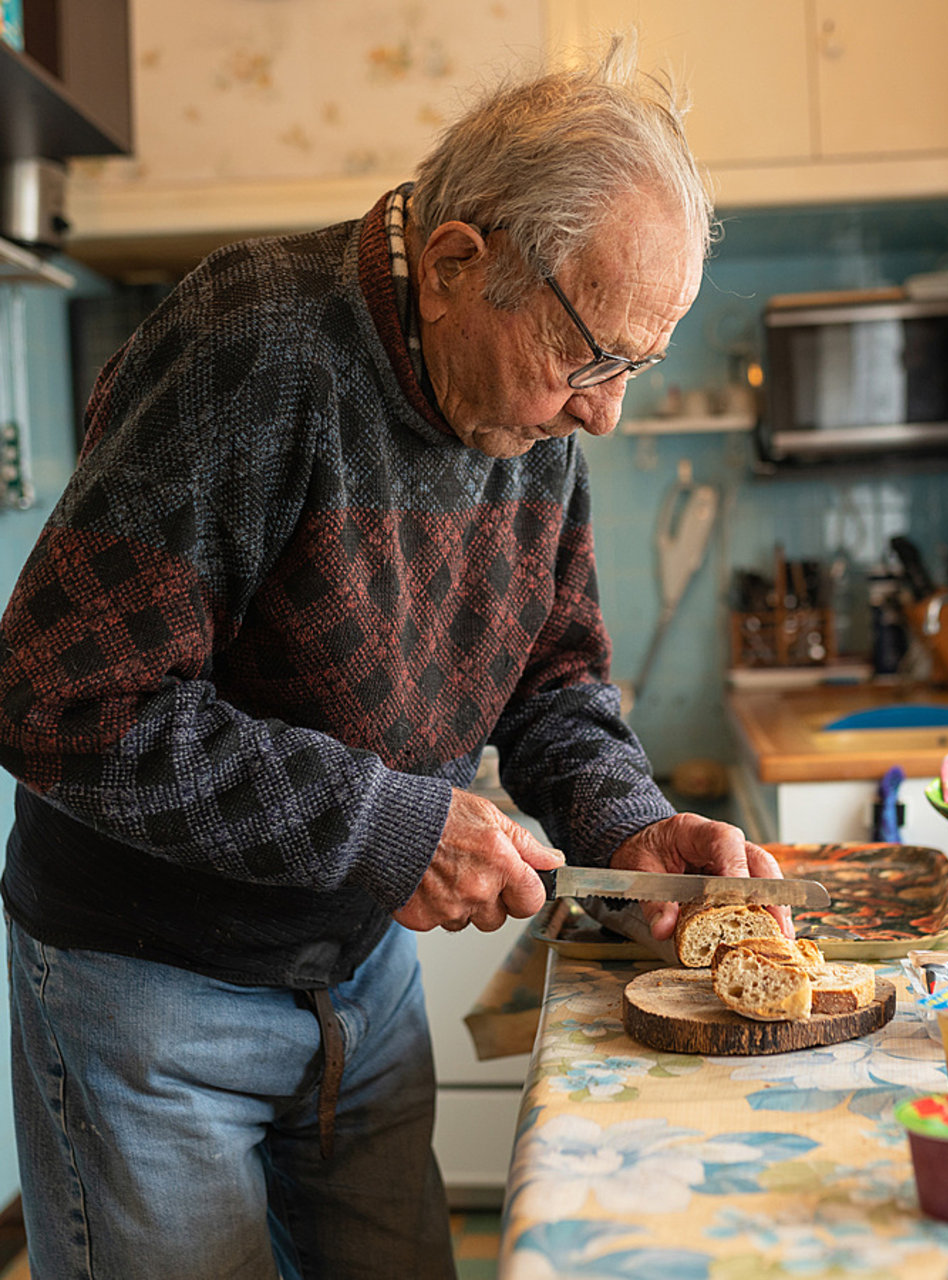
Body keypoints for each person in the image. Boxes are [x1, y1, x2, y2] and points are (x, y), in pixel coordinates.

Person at [0, 35, 789, 1280]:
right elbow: (61, 698)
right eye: (590, 360)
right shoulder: (251, 349)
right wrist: (384, 824)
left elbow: (553, 674)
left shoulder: (535, 401)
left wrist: (627, 825)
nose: (603, 412)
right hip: (152, 991)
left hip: (357, 977)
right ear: (456, 263)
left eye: (636, 365)